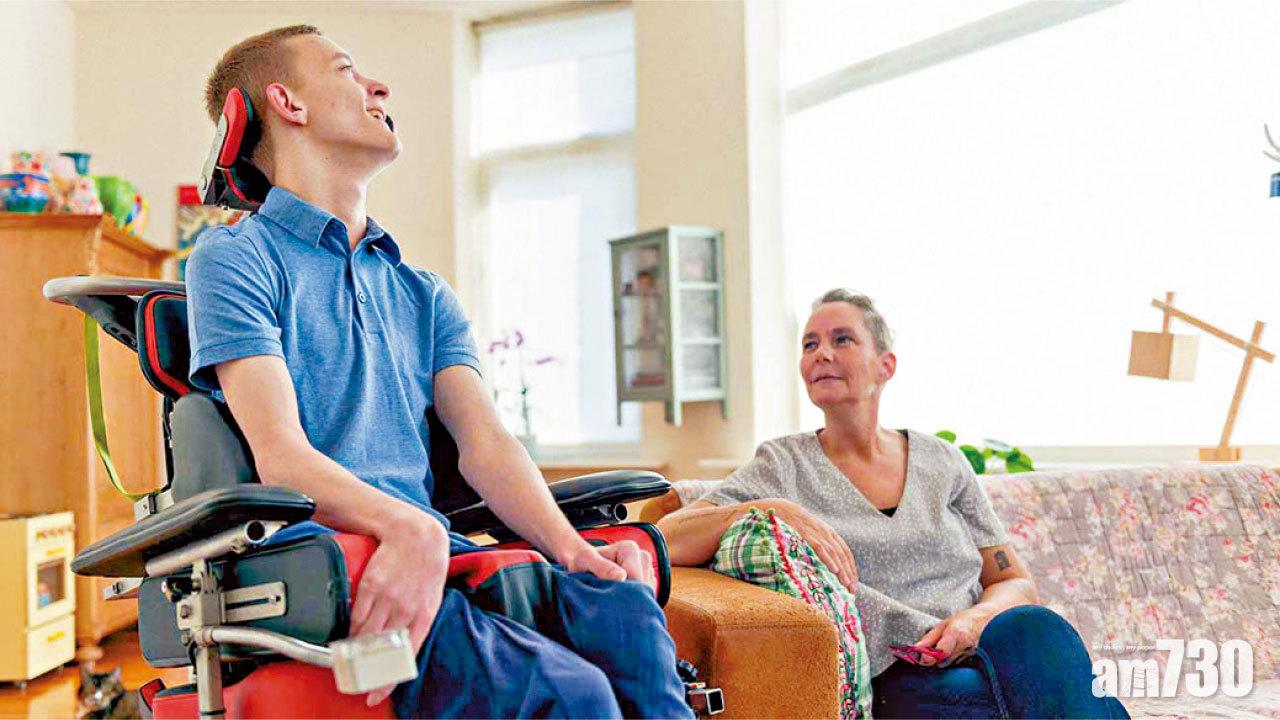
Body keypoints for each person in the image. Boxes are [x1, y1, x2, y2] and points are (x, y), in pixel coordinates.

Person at [186, 25, 691, 719]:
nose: (379, 88)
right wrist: (409, 529)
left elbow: (487, 447)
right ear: (287, 103)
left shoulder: (423, 293)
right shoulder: (234, 259)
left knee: (627, 622)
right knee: (575, 698)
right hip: (334, 557)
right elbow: (282, 458)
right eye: (346, 69)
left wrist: (575, 553)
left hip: (436, 549)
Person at [657, 289, 1128, 719]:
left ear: (886, 365)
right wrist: (766, 509)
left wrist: (973, 620)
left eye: (842, 339)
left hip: (985, 646)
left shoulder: (944, 460)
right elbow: (663, 537)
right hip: (901, 673)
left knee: (1035, 629)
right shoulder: (783, 465)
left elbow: (1012, 580)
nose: (821, 353)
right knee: (1026, 700)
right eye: (809, 344)